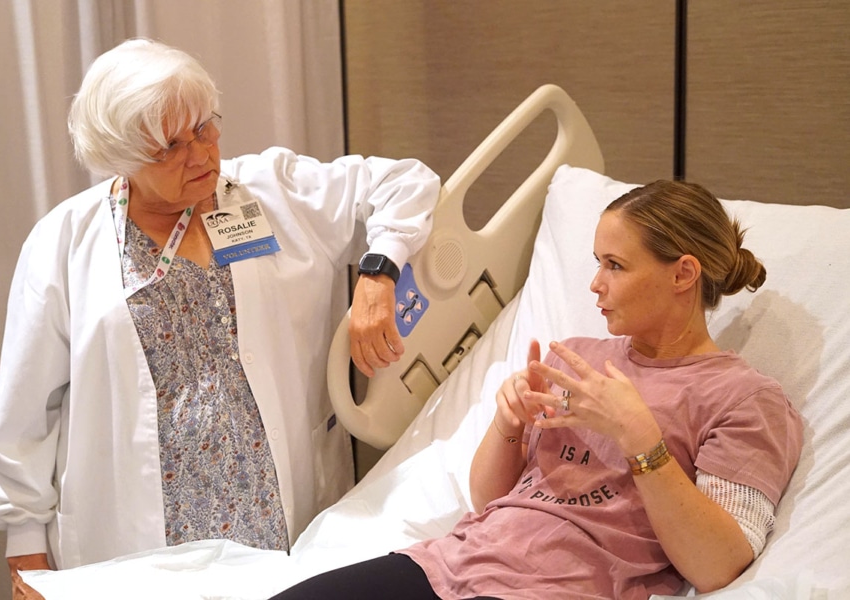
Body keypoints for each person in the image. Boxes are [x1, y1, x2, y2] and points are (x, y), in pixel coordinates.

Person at [0, 38, 439, 599]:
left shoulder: (270, 191)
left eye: (204, 128)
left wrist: (378, 272)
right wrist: (25, 553)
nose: (200, 155)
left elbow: (406, 183)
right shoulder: (62, 242)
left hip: (279, 531)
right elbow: (27, 413)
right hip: (139, 548)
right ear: (123, 158)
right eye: (170, 147)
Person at [269, 180, 803, 599]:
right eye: (597, 263)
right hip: (447, 564)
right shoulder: (578, 359)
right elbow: (491, 500)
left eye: (615, 266)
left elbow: (718, 566)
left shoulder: (744, 399)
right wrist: (507, 423)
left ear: (683, 274)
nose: (595, 283)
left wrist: (641, 439)